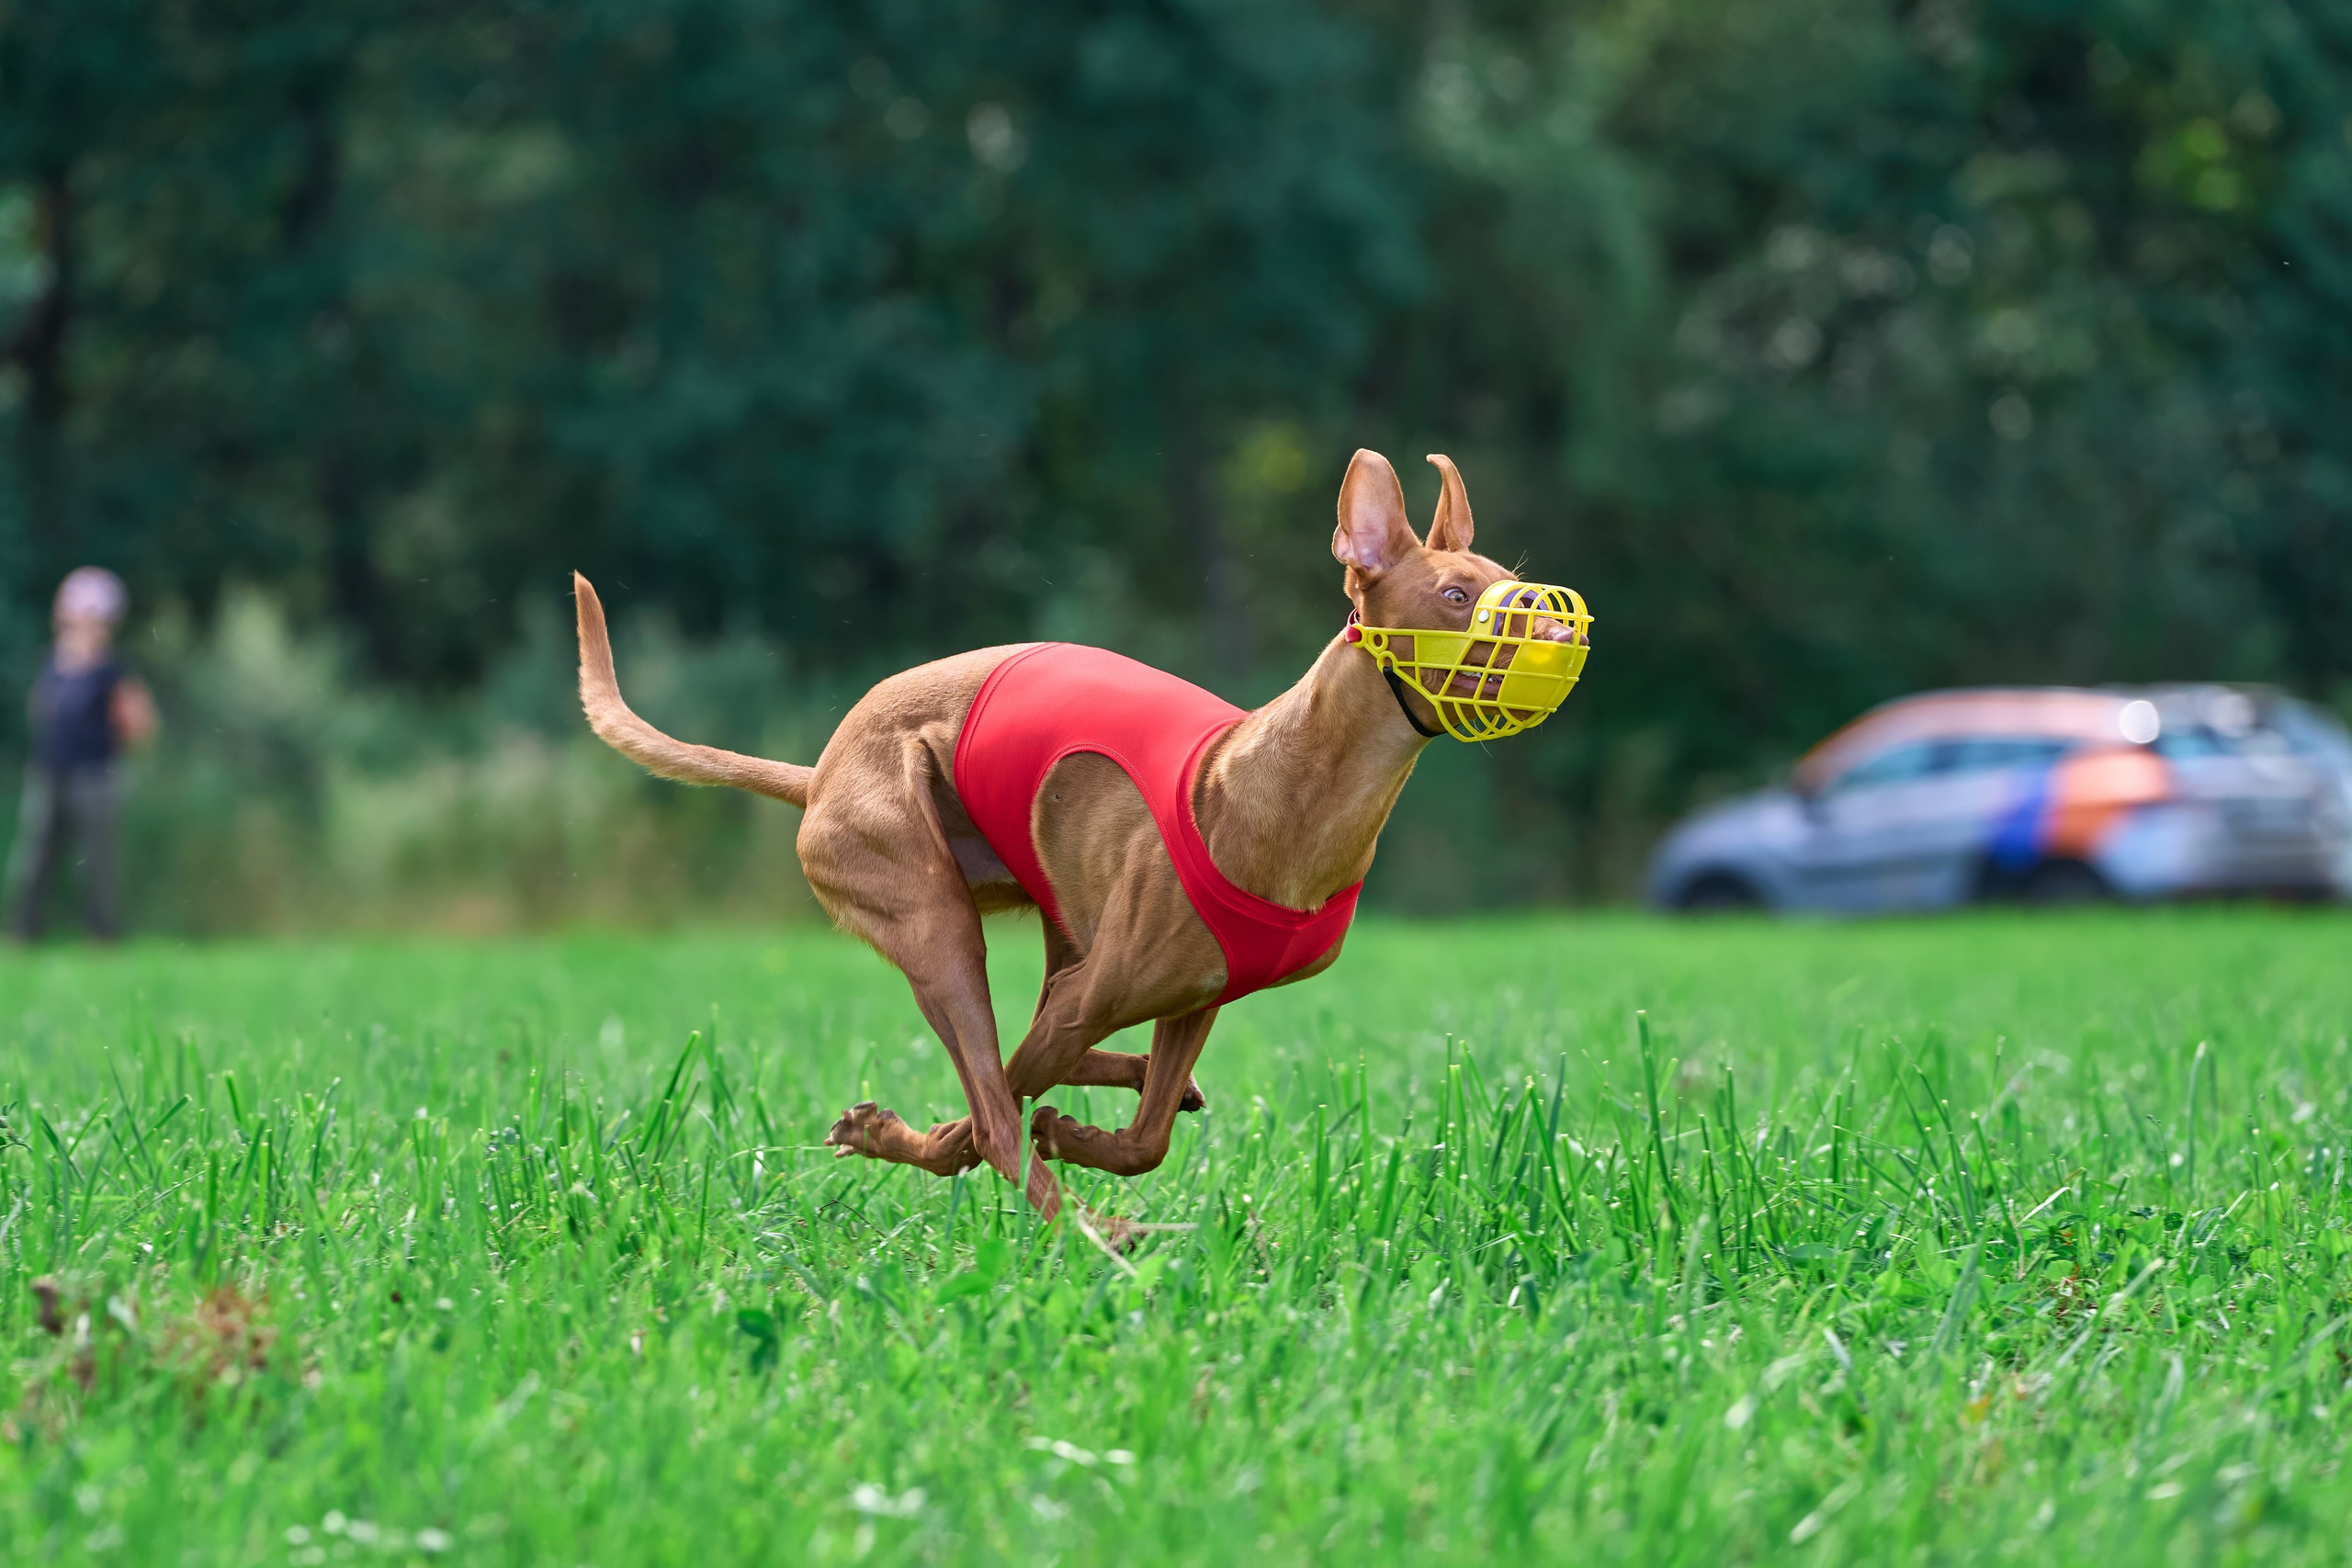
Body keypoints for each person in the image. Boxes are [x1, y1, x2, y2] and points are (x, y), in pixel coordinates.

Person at [5, 568, 157, 942]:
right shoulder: (53, 663)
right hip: (49, 772)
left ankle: (101, 938)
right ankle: (23, 933)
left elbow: (140, 725)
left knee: (95, 865)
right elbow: (39, 712)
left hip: (94, 776)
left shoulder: (112, 670)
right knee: (35, 859)